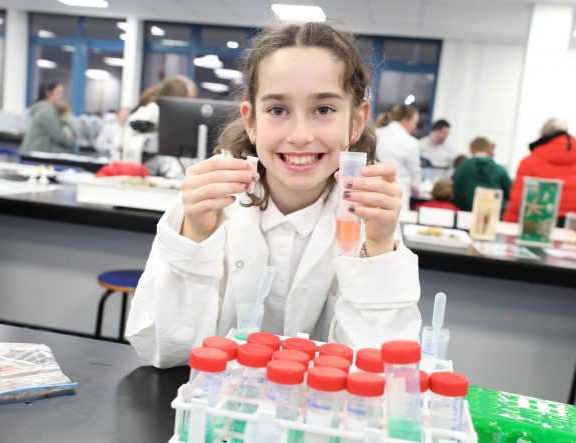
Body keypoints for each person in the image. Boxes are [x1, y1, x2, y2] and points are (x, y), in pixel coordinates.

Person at [126, 22, 422, 368]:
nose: (299, 135)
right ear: (251, 121)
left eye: (323, 109)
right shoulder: (208, 201)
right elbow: (164, 350)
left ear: (356, 122)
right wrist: (196, 237)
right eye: (278, 110)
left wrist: (379, 250)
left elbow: (382, 366)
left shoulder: (367, 218)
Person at [503, 118, 576, 221]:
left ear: (543, 135)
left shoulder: (529, 162)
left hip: (539, 224)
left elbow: (518, 202)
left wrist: (508, 225)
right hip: (574, 225)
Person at [121, 75, 198, 166]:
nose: (192, 102)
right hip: (140, 166)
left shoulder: (172, 117)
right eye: (189, 97)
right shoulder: (151, 111)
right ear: (178, 94)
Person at [375, 104, 422, 210]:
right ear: (405, 121)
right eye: (415, 123)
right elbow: (415, 177)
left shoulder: (375, 133)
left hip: (374, 191)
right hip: (398, 193)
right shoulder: (411, 143)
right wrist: (418, 191)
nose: (415, 127)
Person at [452, 136, 511, 214]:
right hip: (494, 215)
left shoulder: (462, 168)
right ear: (489, 150)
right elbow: (510, 192)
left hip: (467, 214)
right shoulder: (499, 169)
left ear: (470, 150)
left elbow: (455, 191)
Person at [19, 81, 76, 154]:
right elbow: (60, 137)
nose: (61, 96)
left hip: (36, 154)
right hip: (32, 156)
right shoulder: (47, 112)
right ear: (49, 93)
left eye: (62, 93)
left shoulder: (52, 110)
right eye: (59, 93)